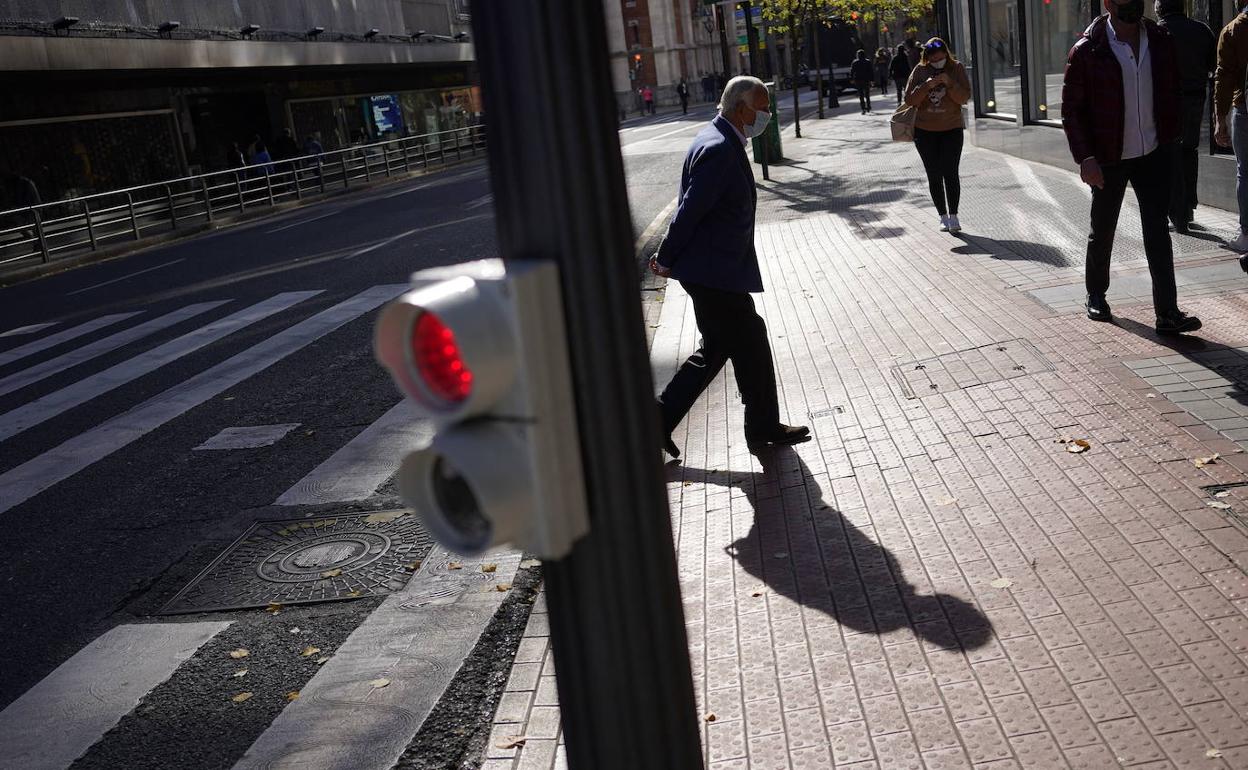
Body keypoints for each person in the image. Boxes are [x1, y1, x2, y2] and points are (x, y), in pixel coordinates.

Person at [649, 75, 810, 457]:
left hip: (715, 268)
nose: (767, 114)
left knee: (731, 344)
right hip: (711, 271)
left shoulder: (719, 138)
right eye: (763, 106)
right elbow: (689, 210)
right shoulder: (720, 148)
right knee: (742, 339)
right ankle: (759, 425)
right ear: (741, 109)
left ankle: (757, 424)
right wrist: (666, 256)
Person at [1062, 0, 1202, 334]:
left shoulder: (1159, 39)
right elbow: (1072, 111)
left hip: (1154, 152)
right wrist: (1086, 158)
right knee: (1104, 227)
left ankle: (1168, 313)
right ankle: (1096, 293)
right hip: (1110, 156)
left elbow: (1172, 90)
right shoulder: (1087, 51)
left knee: (1157, 232)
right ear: (1108, 3)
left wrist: (1173, 135)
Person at [1157, 0, 1214, 233]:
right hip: (1195, 99)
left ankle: (1176, 211)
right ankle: (1187, 206)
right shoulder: (1201, 30)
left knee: (1168, 155)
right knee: (1189, 152)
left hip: (1166, 102)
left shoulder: (1156, 33)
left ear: (1160, 8)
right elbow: (1213, 64)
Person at [904, 38, 971, 233]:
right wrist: (926, 86)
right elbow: (909, 100)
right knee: (934, 174)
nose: (936, 58)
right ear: (927, 56)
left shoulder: (956, 68)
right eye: (931, 55)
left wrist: (949, 83)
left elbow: (964, 98)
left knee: (950, 173)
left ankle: (954, 216)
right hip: (925, 132)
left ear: (945, 52)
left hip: (952, 129)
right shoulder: (919, 70)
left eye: (939, 53)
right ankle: (942, 216)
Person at [1214, 0, 1248, 251]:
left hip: (1244, 108)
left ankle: (1246, 234)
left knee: (1245, 172)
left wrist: (1220, 120)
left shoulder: (1234, 30)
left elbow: (1223, 77)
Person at [851, 49, 875, 114]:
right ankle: (869, 107)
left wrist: (852, 79)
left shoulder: (855, 62)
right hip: (866, 80)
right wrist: (872, 80)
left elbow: (852, 71)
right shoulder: (868, 62)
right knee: (867, 94)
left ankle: (863, 108)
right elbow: (871, 71)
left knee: (861, 95)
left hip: (858, 80)